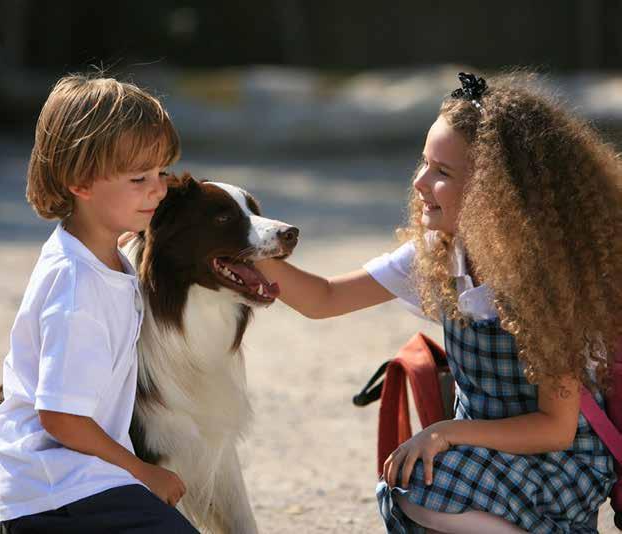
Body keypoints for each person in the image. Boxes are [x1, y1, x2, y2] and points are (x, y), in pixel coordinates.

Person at [255, 72, 622, 533]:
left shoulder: (542, 279)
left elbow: (555, 428)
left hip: (558, 462)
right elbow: (324, 299)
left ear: (497, 192)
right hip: (486, 452)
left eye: (442, 172)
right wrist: (244, 244)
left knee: (428, 487)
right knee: (406, 485)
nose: (421, 182)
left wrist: (444, 431)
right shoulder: (442, 252)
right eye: (425, 163)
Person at [0, 73, 199, 533]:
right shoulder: (77, 285)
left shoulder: (100, 254)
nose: (158, 189)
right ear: (80, 182)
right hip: (58, 493)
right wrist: (143, 472)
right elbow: (61, 417)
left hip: (76, 482)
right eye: (139, 177)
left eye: (162, 172)